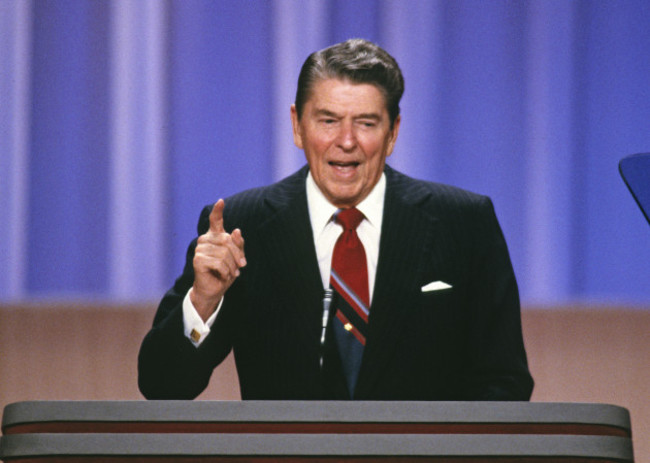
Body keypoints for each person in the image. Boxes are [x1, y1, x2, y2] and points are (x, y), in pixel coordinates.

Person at [138, 38, 534, 401]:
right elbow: (161, 385)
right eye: (328, 120)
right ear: (297, 125)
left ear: (393, 132)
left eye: (366, 123)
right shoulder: (244, 227)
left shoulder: (463, 223)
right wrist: (204, 300)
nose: (346, 141)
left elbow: (505, 383)